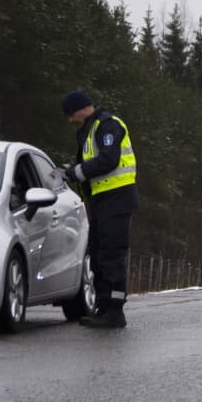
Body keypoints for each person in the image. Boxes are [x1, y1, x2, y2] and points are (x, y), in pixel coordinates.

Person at [60, 90, 139, 328]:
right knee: (98, 254)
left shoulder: (107, 125)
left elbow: (108, 160)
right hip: (102, 201)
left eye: (71, 114)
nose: (70, 120)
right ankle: (103, 306)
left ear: (82, 108)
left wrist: (77, 172)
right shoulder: (91, 129)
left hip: (117, 198)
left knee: (111, 255)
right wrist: (72, 171)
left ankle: (114, 311)